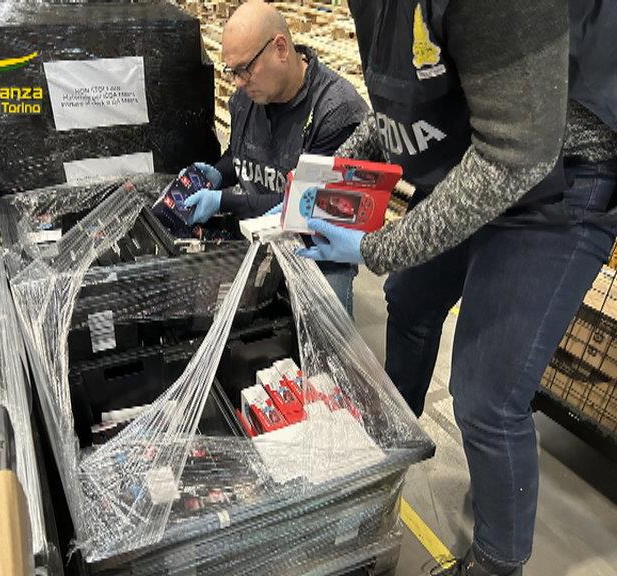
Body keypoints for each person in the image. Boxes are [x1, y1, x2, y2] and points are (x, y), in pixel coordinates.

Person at [293, 1, 617, 575]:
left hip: (558, 175)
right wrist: (316, 182)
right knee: (410, 299)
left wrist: (374, 248)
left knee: (486, 397)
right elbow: (404, 111)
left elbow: (513, 156)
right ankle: (393, 436)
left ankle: (495, 563)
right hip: (482, 148)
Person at [183, 0, 367, 314]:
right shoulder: (248, 97)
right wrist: (218, 173)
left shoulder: (335, 111)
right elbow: (240, 152)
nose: (238, 82)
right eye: (232, 71)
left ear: (280, 48)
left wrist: (223, 201)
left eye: (245, 69)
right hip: (257, 237)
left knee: (323, 327)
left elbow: (307, 207)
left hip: (315, 250)